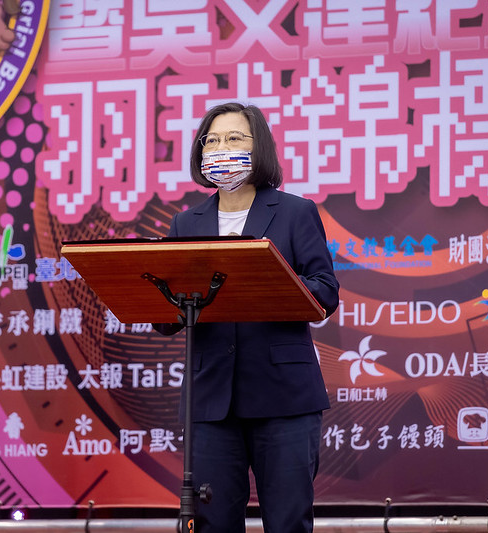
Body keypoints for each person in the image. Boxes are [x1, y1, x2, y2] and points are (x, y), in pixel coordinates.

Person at [160, 102, 339, 532]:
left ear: (259, 148)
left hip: (285, 397)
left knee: (288, 522)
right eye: (212, 140)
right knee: (213, 523)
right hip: (211, 401)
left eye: (235, 138)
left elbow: (326, 290)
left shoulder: (295, 211)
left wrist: (268, 282)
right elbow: (166, 316)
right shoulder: (186, 223)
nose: (221, 148)